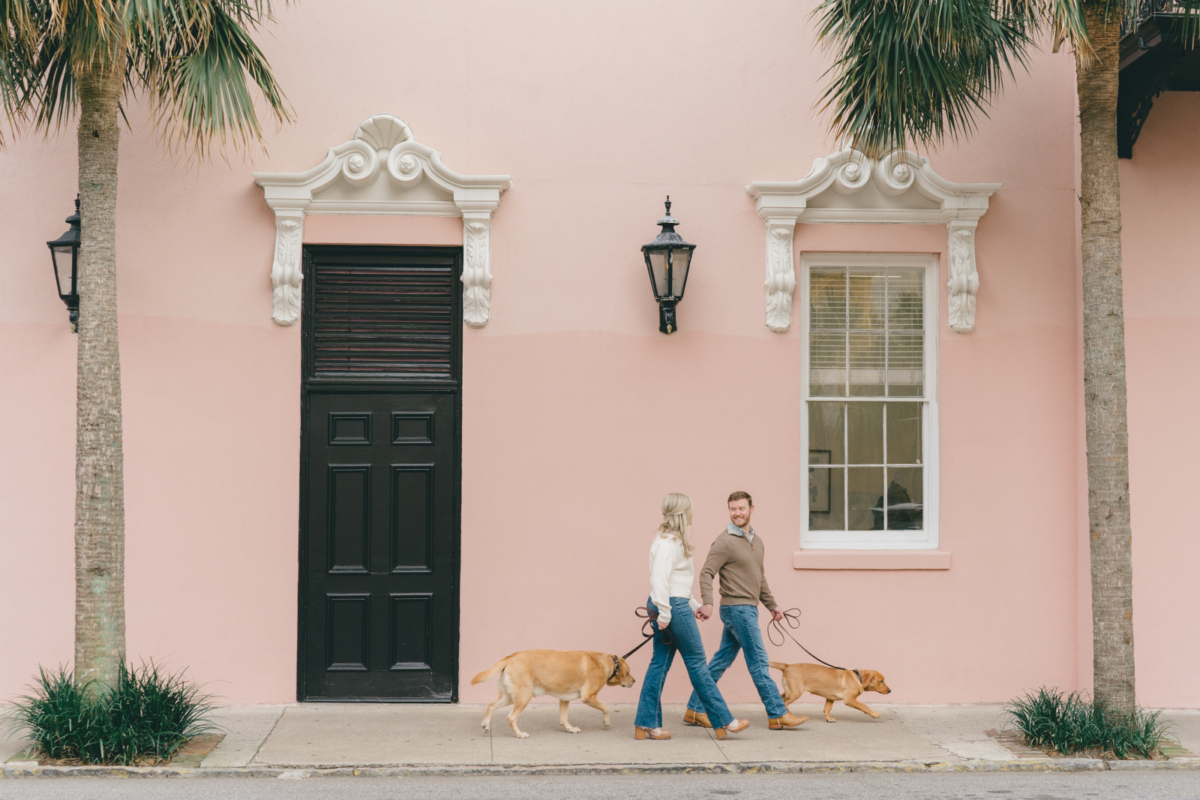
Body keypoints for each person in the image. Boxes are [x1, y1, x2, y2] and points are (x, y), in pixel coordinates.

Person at [684, 491, 808, 730]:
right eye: (733, 509)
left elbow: (759, 578)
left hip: (747, 608)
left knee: (720, 661)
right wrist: (707, 602)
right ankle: (777, 713)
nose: (737, 513)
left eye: (741, 508)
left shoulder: (756, 541)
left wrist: (772, 605)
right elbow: (706, 572)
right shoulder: (724, 541)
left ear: (752, 509)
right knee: (759, 662)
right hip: (737, 609)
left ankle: (694, 709)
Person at [634, 493, 750, 740]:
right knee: (697, 662)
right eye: (690, 510)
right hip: (671, 606)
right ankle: (724, 720)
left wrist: (694, 603)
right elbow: (660, 580)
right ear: (682, 513)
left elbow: (677, 581)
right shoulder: (670, 542)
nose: (692, 514)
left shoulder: (668, 539)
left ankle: (646, 724)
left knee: (659, 663)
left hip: (671, 603)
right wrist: (665, 613)